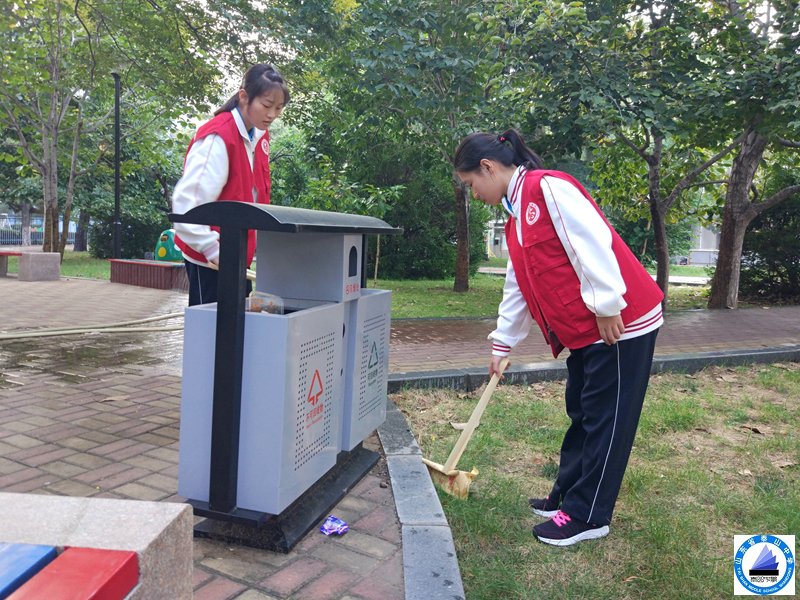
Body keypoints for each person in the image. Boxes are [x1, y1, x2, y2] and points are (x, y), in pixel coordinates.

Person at [454, 129, 664, 547]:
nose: (473, 194)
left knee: (607, 420)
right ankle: (567, 495)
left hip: (619, 323)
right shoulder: (515, 218)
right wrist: (502, 343)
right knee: (582, 411)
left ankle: (589, 515)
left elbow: (592, 242)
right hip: (587, 331)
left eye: (471, 183)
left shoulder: (546, 187)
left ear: (488, 167)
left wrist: (608, 305)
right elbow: (519, 284)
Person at [172, 64, 289, 306]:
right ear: (244, 97)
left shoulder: (258, 133)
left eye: (278, 108)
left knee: (240, 325)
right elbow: (187, 207)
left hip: (237, 253)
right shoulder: (218, 137)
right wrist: (213, 251)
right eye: (267, 105)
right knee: (211, 327)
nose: (272, 115)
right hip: (210, 258)